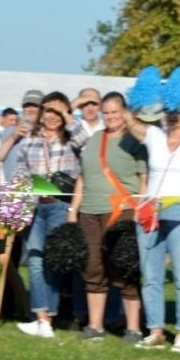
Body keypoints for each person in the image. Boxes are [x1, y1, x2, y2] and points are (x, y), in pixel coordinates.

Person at [126, 80, 180, 352]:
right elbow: (130, 120)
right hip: (152, 210)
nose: (174, 113)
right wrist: (142, 95)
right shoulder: (153, 136)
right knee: (151, 275)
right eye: (169, 108)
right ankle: (155, 331)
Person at [69, 92, 146, 341]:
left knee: (123, 268)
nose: (111, 116)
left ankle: (133, 327)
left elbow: (144, 179)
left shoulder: (136, 140)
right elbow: (82, 177)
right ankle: (95, 326)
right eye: (107, 112)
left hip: (121, 210)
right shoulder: (94, 140)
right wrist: (73, 210)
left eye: (115, 111)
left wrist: (140, 210)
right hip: (89, 211)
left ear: (124, 111)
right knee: (93, 267)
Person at [15, 92, 83, 339]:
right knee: (34, 260)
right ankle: (41, 317)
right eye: (49, 112)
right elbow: (21, 173)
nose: (52, 117)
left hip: (60, 205)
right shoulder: (29, 141)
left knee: (52, 262)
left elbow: (86, 141)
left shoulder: (71, 140)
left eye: (58, 113)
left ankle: (49, 318)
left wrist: (67, 113)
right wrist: (18, 202)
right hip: (35, 207)